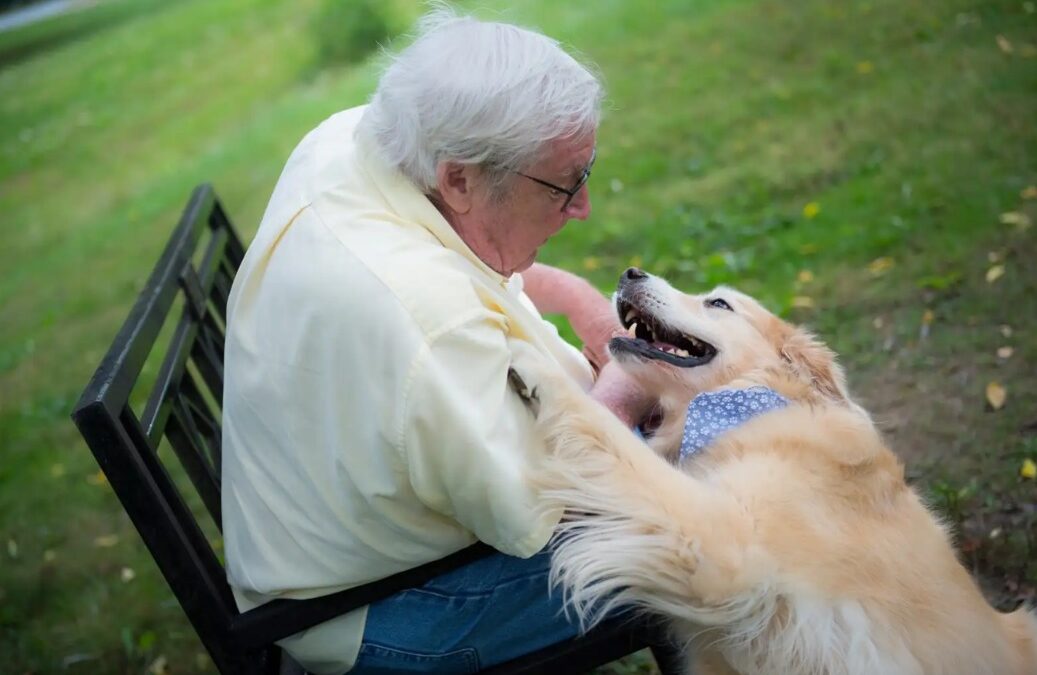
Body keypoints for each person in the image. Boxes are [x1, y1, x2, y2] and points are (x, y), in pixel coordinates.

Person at [220, 8, 650, 674]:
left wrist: (575, 299)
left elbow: (455, 260)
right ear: (459, 178)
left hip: (331, 556)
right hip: (387, 613)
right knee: (708, 528)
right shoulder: (425, 317)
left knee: (714, 457)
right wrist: (626, 384)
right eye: (564, 183)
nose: (582, 206)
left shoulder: (351, 144)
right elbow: (538, 508)